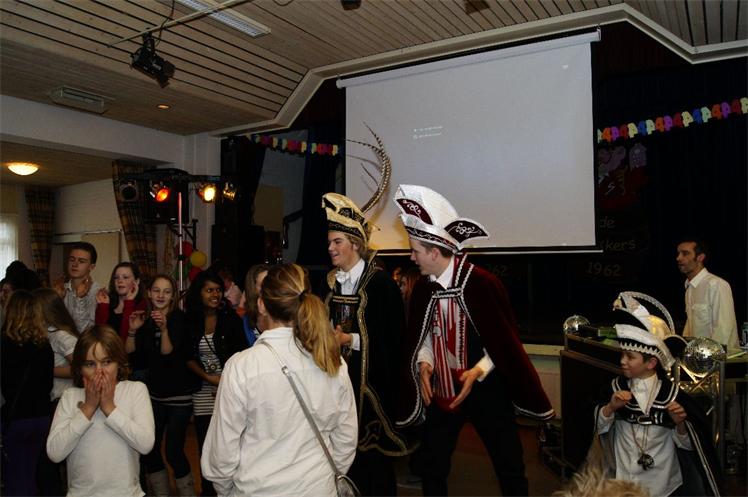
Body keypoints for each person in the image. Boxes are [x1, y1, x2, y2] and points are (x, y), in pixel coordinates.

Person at [393, 184, 554, 497]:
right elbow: (424, 336)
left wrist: (477, 371)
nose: (411, 257)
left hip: (487, 389)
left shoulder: (481, 283)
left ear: (434, 252)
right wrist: (425, 363)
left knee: (509, 464)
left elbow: (504, 343)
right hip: (443, 390)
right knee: (432, 466)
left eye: (415, 251)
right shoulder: (424, 288)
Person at [201, 263, 358, 496]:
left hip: (257, 490)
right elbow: (346, 438)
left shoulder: (242, 367)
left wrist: (227, 490)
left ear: (262, 305)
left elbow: (222, 450)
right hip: (318, 488)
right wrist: (322, 477)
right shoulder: (333, 362)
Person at [321, 192, 410, 495]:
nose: (331, 248)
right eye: (330, 242)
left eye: (337, 242)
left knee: (374, 463)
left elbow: (394, 338)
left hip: (371, 388)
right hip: (336, 383)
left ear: (356, 244)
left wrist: (350, 340)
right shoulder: (331, 283)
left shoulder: (381, 285)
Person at [594, 292, 722, 496]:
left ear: (651, 362)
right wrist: (610, 408)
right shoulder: (614, 388)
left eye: (630, 357)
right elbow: (597, 429)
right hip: (623, 482)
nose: (622, 361)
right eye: (622, 355)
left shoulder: (672, 395)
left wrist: (680, 424)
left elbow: (688, 445)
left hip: (663, 486)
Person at [46, 325, 155, 497]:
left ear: (119, 363)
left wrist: (109, 408)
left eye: (107, 362)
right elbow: (55, 453)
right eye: (90, 364)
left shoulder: (135, 390)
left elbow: (145, 444)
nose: (99, 371)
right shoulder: (70, 397)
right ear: (80, 368)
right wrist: (88, 409)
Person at [127, 274, 195, 496]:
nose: (161, 295)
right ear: (149, 293)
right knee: (150, 450)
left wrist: (164, 329)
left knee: (174, 452)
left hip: (178, 396)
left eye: (166, 291)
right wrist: (132, 330)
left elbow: (169, 354)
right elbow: (132, 356)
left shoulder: (180, 319)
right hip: (154, 395)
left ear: (173, 296)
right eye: (156, 290)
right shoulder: (145, 321)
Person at [185, 271, 248, 496]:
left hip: (229, 389)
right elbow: (186, 356)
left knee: (230, 443)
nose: (215, 294)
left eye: (218, 290)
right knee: (206, 446)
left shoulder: (231, 319)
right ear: (199, 293)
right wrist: (209, 378)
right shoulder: (190, 319)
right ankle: (208, 492)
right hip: (202, 389)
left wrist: (224, 383)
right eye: (209, 290)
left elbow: (242, 355)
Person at [1, 290, 54, 497]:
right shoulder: (45, 345)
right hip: (40, 417)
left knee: (13, 477)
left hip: (14, 418)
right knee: (30, 474)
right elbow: (48, 384)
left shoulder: (4, 344)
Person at [676, 238, 739, 349]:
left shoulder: (716, 284)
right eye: (678, 254)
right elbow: (691, 327)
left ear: (700, 257)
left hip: (721, 357)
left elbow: (724, 329)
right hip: (699, 356)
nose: (678, 258)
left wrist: (710, 356)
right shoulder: (690, 288)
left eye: (685, 253)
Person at [53, 242, 100, 334]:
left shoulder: (96, 293)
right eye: (72, 260)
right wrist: (56, 299)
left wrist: (80, 299)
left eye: (81, 261)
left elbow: (84, 330)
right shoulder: (62, 288)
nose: (75, 264)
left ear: (91, 267)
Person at [95, 262, 148, 343]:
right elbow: (99, 335)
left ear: (136, 282)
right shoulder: (107, 302)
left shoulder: (142, 305)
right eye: (116, 278)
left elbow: (125, 339)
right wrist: (102, 306)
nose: (120, 281)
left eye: (125, 277)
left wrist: (129, 302)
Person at [240, 263, 270, 346]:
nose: (268, 287)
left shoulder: (280, 313)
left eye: (270, 282)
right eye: (263, 284)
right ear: (252, 287)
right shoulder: (246, 319)